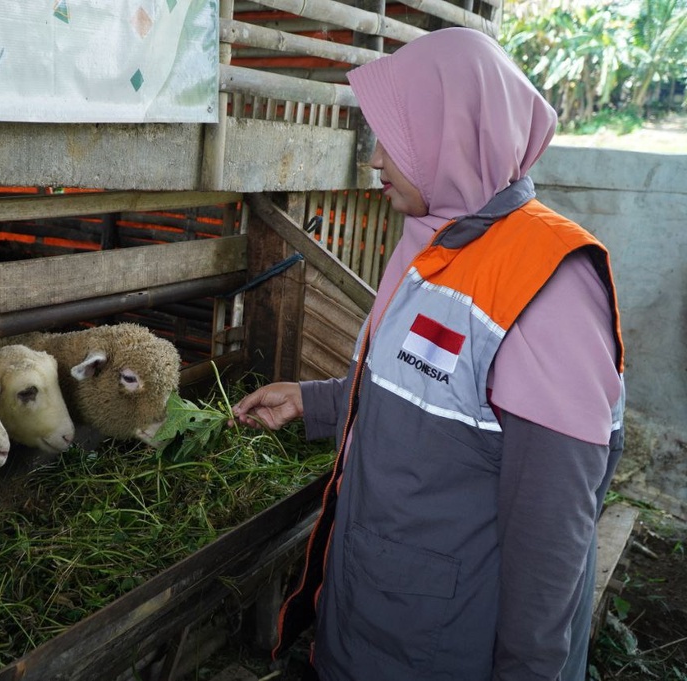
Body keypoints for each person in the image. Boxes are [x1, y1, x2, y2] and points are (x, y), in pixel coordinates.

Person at [231, 27, 625, 681]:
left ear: (454, 133)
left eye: (396, 137)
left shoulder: (546, 285)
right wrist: (316, 400)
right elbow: (424, 384)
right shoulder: (434, 243)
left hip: (445, 649)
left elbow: (550, 538)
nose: (377, 160)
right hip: (375, 619)